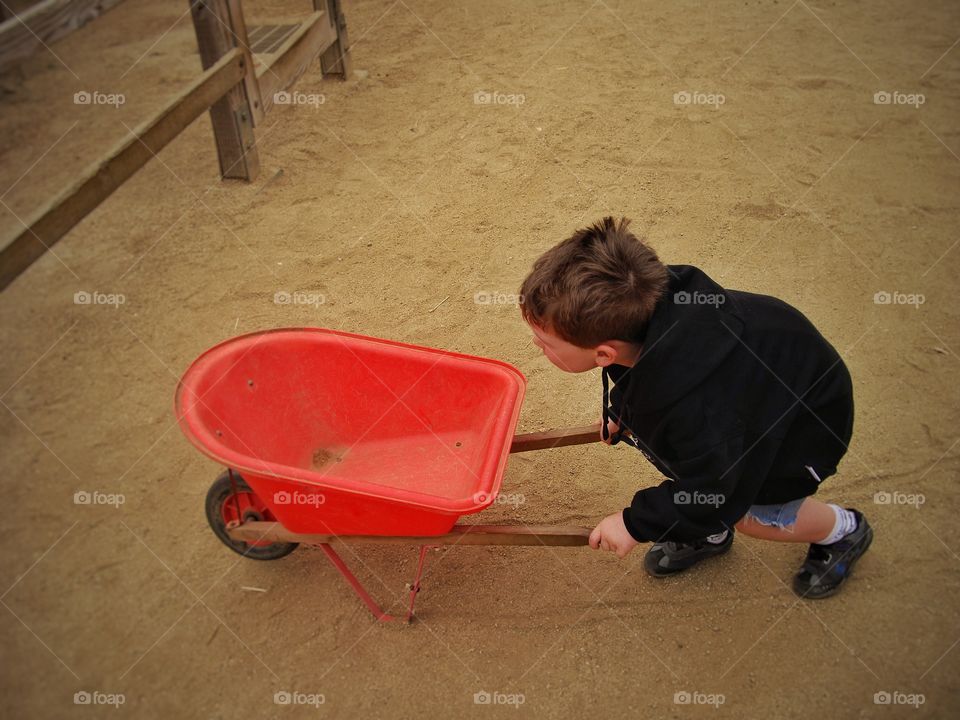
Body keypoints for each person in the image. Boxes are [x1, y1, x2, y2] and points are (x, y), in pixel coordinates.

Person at [518, 216, 872, 598]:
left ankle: (843, 530)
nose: (538, 347)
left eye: (545, 342)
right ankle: (707, 530)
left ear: (604, 353)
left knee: (755, 514)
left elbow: (716, 488)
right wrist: (623, 410)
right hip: (756, 397)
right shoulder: (651, 309)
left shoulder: (699, 413)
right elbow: (644, 379)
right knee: (688, 459)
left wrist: (634, 523)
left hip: (804, 425)